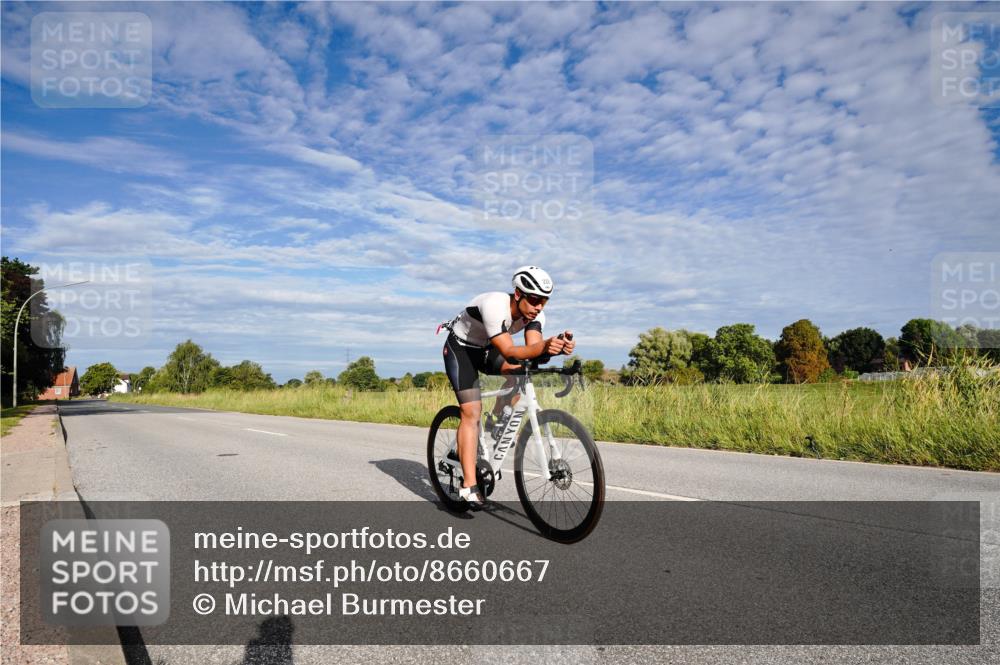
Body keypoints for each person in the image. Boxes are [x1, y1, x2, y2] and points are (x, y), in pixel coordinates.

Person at [440, 266, 575, 509]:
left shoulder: (535, 317)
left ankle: (494, 424)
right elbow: (511, 351)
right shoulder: (495, 305)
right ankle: (469, 485)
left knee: (519, 374)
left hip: (486, 350)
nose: (539, 306)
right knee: (471, 412)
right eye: (534, 299)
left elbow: (531, 351)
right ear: (517, 294)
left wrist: (554, 349)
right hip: (461, 350)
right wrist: (544, 347)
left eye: (544, 301)